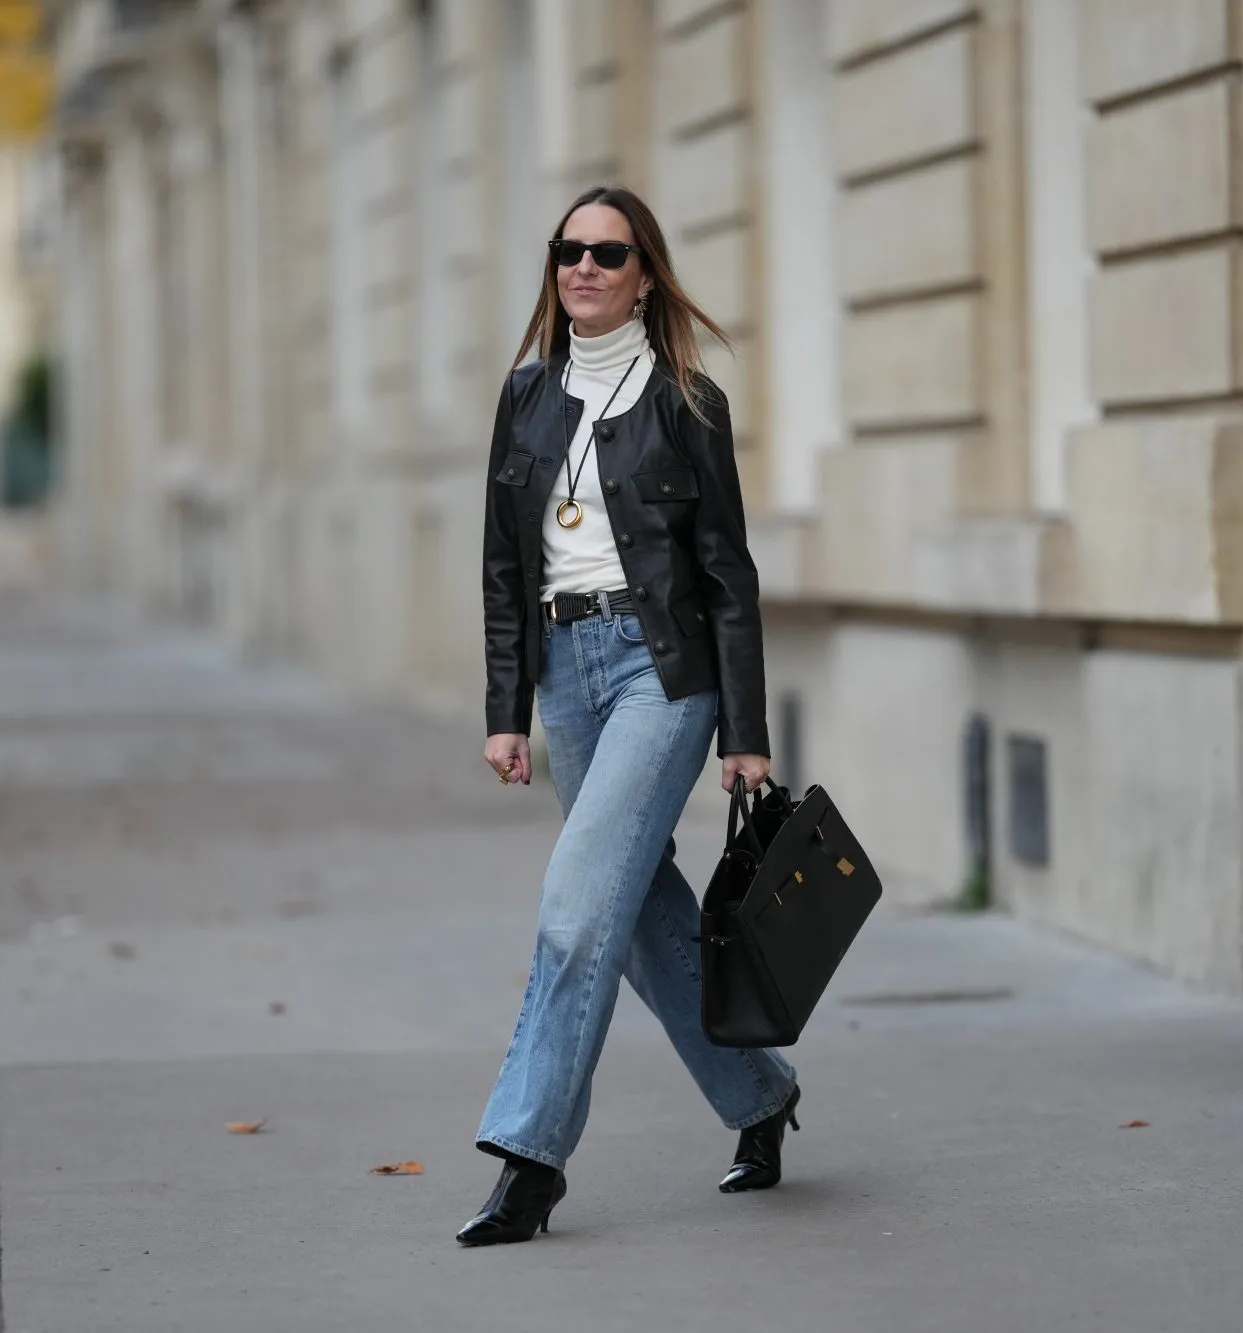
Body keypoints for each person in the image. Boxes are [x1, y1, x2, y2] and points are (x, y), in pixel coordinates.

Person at [459, 185, 801, 1247]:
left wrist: (742, 728)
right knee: (642, 916)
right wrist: (506, 707)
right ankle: (758, 1095)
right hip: (565, 673)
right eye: (568, 250)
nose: (584, 268)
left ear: (645, 274)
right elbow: (504, 571)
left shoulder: (686, 400)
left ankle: (528, 1158)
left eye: (608, 253)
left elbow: (727, 574)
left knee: (573, 903)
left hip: (663, 670)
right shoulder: (524, 398)